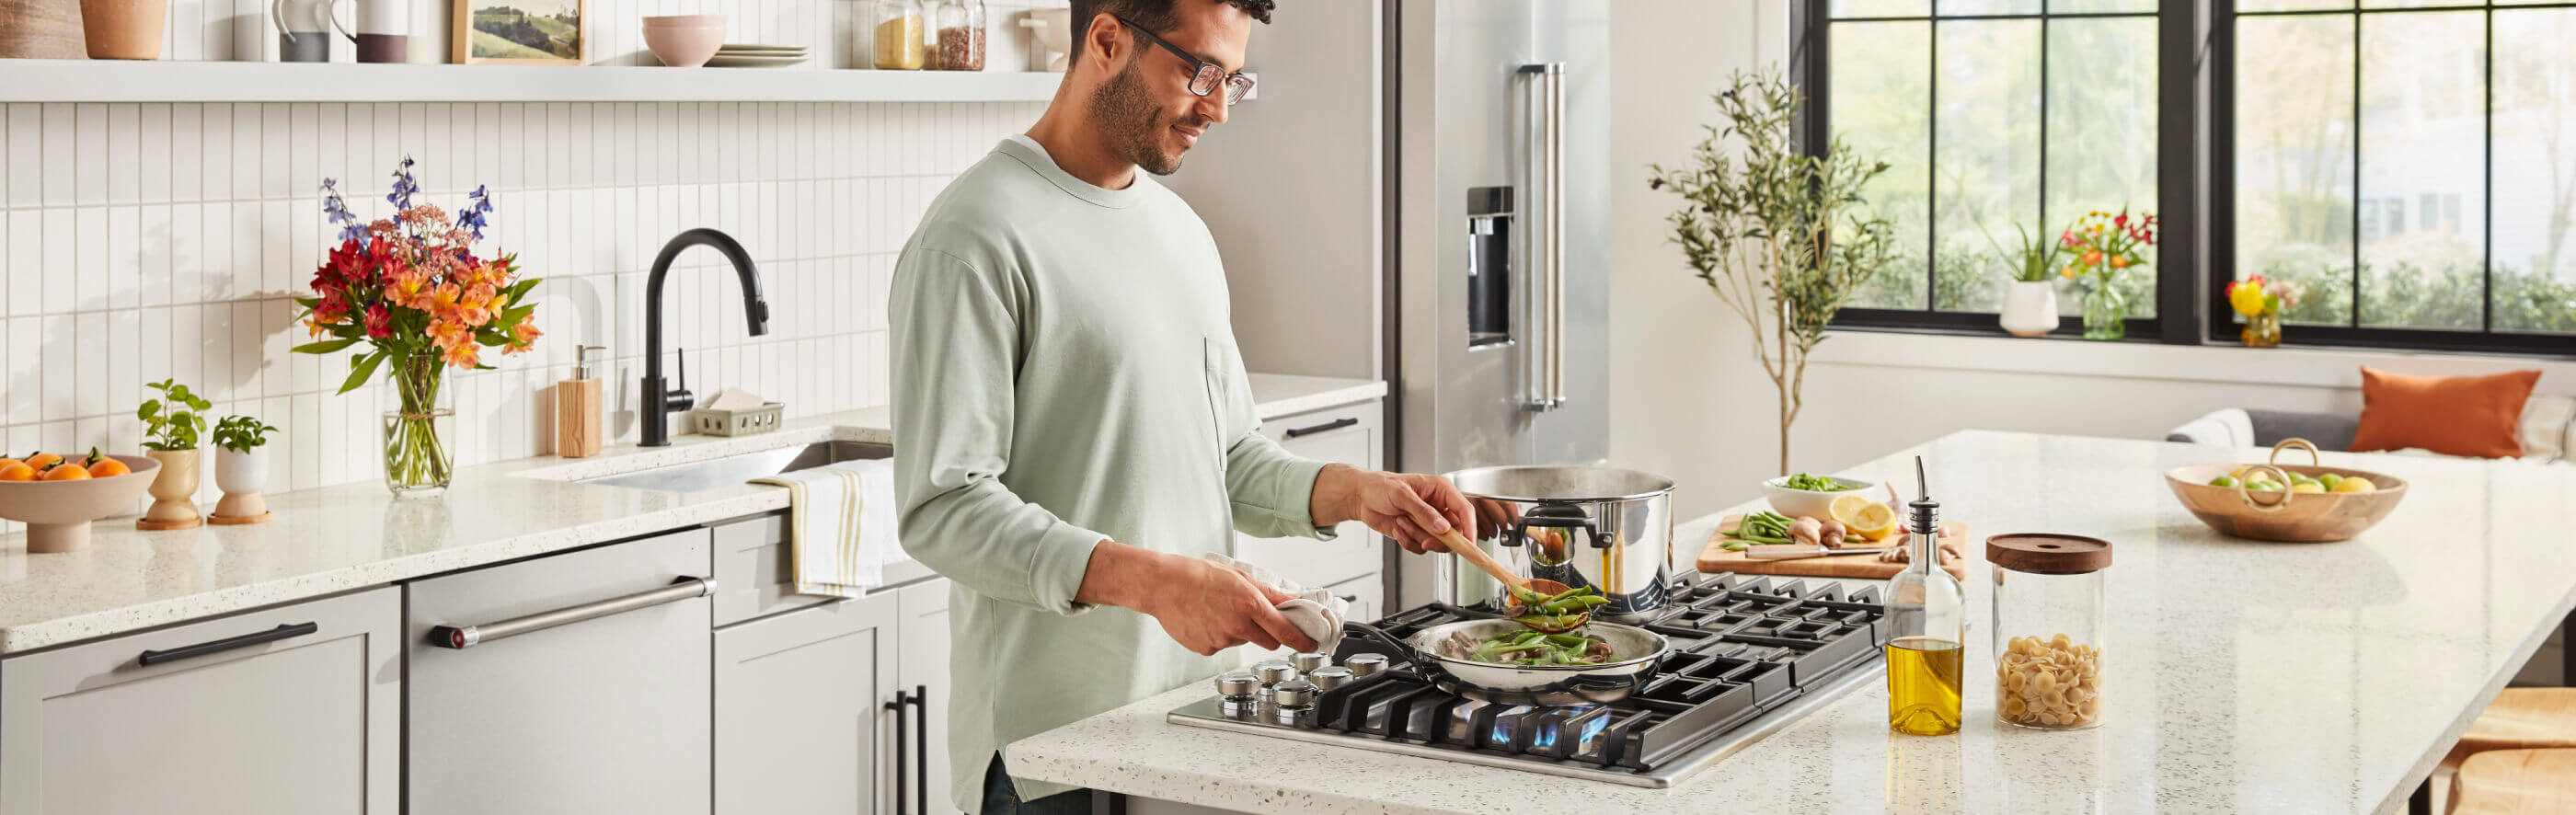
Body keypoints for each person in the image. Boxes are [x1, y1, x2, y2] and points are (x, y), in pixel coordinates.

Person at [887, 1, 1474, 812]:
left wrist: (1357, 492)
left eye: (1234, 79)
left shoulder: (1183, 233)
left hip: (1198, 726)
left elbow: (1228, 455)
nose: (1220, 107)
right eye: (1201, 72)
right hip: (1054, 753)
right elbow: (944, 508)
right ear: (1106, 40)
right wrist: (1158, 584)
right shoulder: (975, 236)